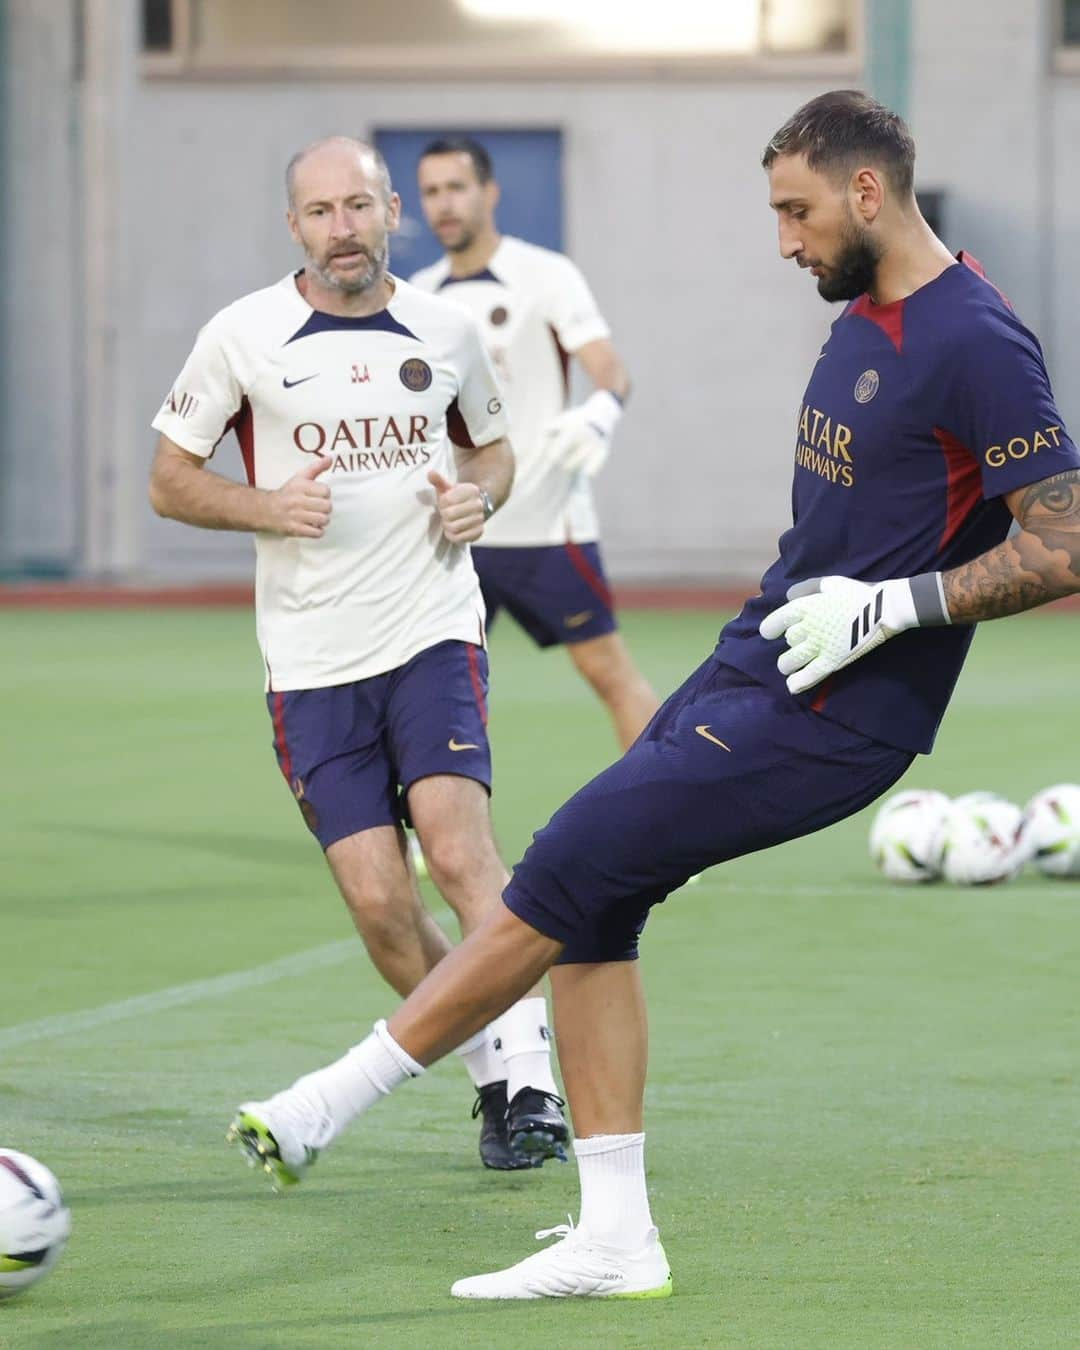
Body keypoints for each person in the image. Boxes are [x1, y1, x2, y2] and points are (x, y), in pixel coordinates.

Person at [226, 92, 1080, 1300]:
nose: (784, 240)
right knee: (597, 906)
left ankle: (326, 1104)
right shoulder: (863, 314)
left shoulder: (978, 339)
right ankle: (616, 1238)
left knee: (566, 862)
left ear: (868, 194)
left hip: (846, 713)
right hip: (765, 653)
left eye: (797, 211)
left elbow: (1064, 541)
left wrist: (899, 609)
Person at [149, 136, 569, 1175]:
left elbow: (493, 450)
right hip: (308, 659)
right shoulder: (242, 336)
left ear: (393, 212)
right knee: (383, 907)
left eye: (359, 206)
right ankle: (489, 1073)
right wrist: (262, 504)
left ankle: (535, 1086)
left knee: (462, 849)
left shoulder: (448, 328)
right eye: (320, 212)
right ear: (294, 226)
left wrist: (483, 494)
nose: (342, 228)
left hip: (432, 628)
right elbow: (168, 478)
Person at [409, 137, 659, 752]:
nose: (445, 204)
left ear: (488, 193)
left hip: (546, 525)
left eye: (456, 188)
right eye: (431, 191)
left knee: (608, 673)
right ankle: (427, 839)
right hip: (458, 533)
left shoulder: (546, 276)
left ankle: (668, 812)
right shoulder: (417, 294)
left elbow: (611, 369)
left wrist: (600, 412)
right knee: (432, 695)